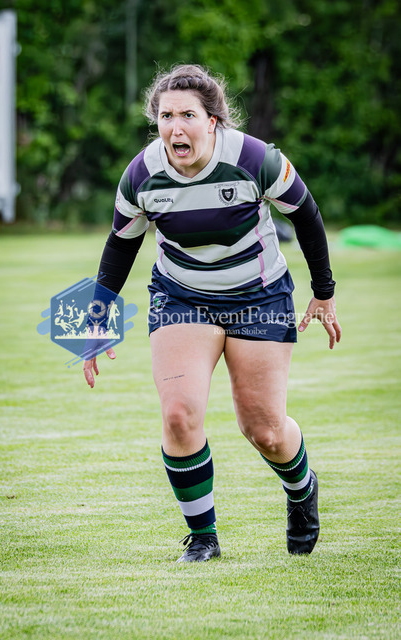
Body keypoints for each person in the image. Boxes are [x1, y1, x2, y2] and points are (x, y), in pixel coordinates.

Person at [83, 64, 341, 563]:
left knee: (264, 430)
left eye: (187, 115)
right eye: (165, 116)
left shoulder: (255, 159)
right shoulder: (141, 175)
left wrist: (323, 292)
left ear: (213, 121)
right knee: (178, 415)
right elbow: (120, 246)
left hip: (257, 295)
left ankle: (302, 489)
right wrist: (97, 319)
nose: (175, 127)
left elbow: (306, 215)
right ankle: (203, 537)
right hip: (181, 295)